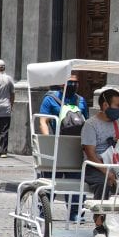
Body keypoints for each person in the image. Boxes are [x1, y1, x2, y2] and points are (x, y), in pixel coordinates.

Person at [38, 73, 89, 222]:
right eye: (70, 82)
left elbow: (86, 122)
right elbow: (43, 121)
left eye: (76, 82)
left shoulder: (81, 101)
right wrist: (48, 142)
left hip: (75, 146)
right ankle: (43, 212)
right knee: (50, 181)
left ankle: (76, 213)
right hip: (57, 145)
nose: (73, 85)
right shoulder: (50, 99)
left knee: (77, 182)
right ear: (62, 84)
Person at [80, 89, 119, 237]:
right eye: (117, 105)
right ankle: (99, 224)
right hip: (94, 165)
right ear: (105, 105)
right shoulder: (90, 124)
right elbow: (90, 152)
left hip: (116, 164)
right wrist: (106, 171)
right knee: (103, 182)